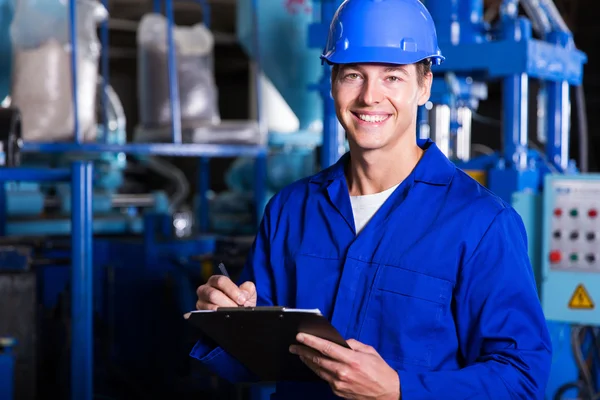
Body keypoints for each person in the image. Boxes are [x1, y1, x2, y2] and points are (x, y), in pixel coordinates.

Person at [191, 0, 553, 398]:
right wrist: (226, 318)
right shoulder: (291, 210)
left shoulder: (482, 224)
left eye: (392, 77)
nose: (369, 96)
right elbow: (257, 356)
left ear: (424, 86)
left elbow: (521, 380)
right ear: (332, 83)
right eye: (353, 75)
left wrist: (401, 389)